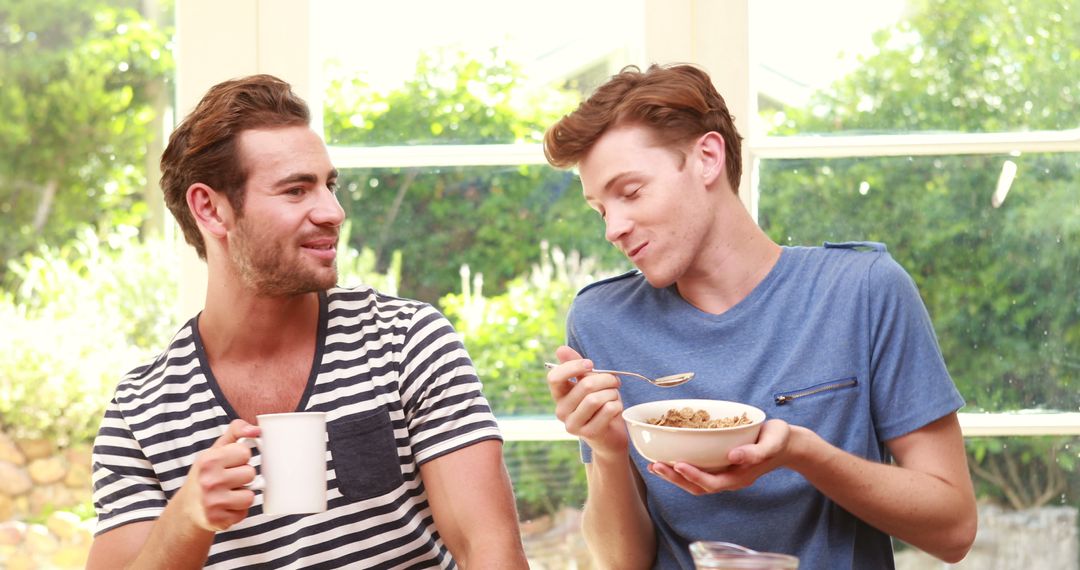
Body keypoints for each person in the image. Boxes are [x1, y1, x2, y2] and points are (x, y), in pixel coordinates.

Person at [542, 64, 977, 569]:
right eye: (599, 209)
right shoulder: (602, 321)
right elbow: (623, 563)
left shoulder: (863, 290)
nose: (613, 228)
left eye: (631, 192)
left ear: (707, 158)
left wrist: (803, 452)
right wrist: (610, 450)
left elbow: (954, 529)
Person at [86, 74, 529, 569]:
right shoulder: (141, 412)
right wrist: (186, 520)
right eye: (297, 190)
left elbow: (490, 551)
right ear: (210, 209)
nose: (333, 212)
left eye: (329, 185)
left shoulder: (406, 342)